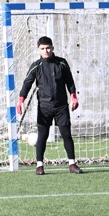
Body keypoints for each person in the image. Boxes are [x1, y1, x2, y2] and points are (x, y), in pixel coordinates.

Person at [18, 36, 81, 175]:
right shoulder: (36, 66)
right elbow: (27, 83)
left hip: (61, 107)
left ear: (52, 48)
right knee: (42, 136)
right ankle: (39, 165)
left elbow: (70, 81)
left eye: (48, 48)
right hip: (44, 107)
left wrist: (73, 96)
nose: (45, 51)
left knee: (66, 134)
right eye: (42, 48)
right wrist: (21, 100)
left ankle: (72, 164)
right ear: (38, 50)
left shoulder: (62, 63)